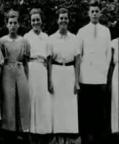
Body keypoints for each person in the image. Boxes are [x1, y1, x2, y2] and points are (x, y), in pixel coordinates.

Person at [77, 1, 111, 144]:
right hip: (86, 77)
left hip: (100, 76)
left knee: (100, 109)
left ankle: (99, 137)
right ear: (88, 13)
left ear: (100, 13)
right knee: (86, 109)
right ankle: (86, 137)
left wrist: (105, 71)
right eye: (92, 11)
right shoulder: (82, 31)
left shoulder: (106, 30)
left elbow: (108, 53)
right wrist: (79, 77)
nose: (95, 14)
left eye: (97, 11)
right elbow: (78, 54)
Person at [0, 9, 31, 144]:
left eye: (15, 23)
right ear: (7, 24)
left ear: (18, 25)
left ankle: (22, 132)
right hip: (7, 71)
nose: (12, 25)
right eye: (10, 23)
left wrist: (27, 77)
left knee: (22, 100)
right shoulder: (1, 41)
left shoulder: (24, 41)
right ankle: (8, 133)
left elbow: (26, 62)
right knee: (8, 101)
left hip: (20, 69)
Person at [48, 8, 80, 144]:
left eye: (65, 18)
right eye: (61, 18)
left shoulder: (74, 38)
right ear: (57, 20)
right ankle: (58, 138)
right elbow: (48, 60)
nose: (63, 21)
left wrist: (77, 81)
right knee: (57, 105)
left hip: (69, 71)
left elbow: (78, 60)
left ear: (68, 20)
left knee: (69, 105)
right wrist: (49, 80)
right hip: (56, 71)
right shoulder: (51, 38)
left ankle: (69, 138)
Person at [23, 8, 52, 144]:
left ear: (41, 21)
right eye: (33, 20)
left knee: (43, 103)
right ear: (30, 22)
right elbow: (23, 59)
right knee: (31, 102)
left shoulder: (46, 37)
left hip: (43, 70)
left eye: (37, 20)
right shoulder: (26, 37)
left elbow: (49, 59)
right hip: (31, 70)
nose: (35, 22)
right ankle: (31, 136)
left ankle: (43, 134)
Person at [110, 37, 119, 134]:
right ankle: (116, 128)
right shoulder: (114, 42)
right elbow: (110, 60)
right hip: (117, 72)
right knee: (116, 99)